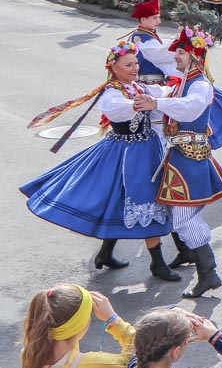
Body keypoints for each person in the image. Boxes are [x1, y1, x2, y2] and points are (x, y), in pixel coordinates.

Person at [22, 42, 181, 281]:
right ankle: (157, 264)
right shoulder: (112, 94)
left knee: (119, 199)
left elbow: (160, 93)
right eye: (128, 64)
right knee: (146, 200)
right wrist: (147, 100)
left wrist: (179, 86)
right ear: (113, 67)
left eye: (136, 63)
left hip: (144, 150)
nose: (135, 67)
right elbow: (126, 108)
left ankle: (105, 254)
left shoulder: (135, 86)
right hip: (127, 153)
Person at [138, 27, 222, 298]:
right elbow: (168, 96)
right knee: (184, 216)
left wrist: (155, 101)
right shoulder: (183, 80)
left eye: (180, 53)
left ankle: (209, 271)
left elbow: (189, 108)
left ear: (193, 55)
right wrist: (141, 90)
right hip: (182, 156)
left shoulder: (200, 84)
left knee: (183, 218)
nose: (176, 58)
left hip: (190, 157)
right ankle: (207, 272)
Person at [21, 285, 134, 368]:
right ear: (81, 326)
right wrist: (113, 319)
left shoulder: (29, 355)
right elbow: (138, 354)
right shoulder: (96, 367)